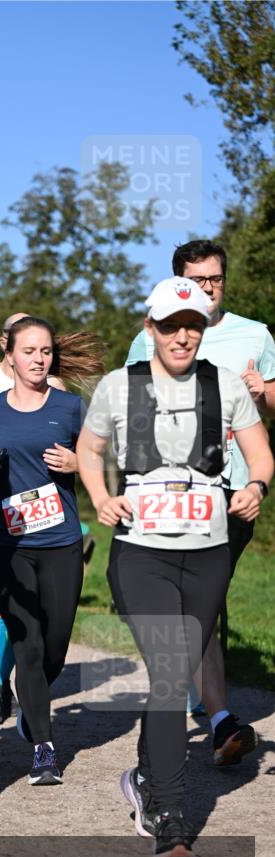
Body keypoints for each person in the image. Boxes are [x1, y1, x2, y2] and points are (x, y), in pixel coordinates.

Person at [78, 277, 273, 857]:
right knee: (168, 670)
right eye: (170, 325)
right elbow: (89, 450)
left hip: (209, 551)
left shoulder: (225, 387)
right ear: (150, 328)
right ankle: (170, 818)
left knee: (176, 668)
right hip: (141, 553)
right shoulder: (119, 387)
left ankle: (144, 777)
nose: (182, 334)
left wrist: (257, 486)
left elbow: (261, 453)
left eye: (193, 323)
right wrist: (101, 498)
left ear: (204, 326)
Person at [126, 240, 275, 761]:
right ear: (177, 285)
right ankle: (215, 717)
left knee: (200, 606)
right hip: (167, 495)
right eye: (198, 280)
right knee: (191, 608)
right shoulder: (150, 337)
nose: (208, 288)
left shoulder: (255, 334)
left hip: (232, 490)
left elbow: (273, 406)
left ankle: (200, 709)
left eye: (215, 279)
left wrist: (262, 393)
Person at [0, 316, 94, 786]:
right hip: (8, 542)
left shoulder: (70, 406)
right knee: (30, 645)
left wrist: (81, 462)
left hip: (61, 541)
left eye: (45, 351)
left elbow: (101, 463)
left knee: (55, 647)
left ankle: (31, 702)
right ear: (11, 356)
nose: (38, 359)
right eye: (29, 351)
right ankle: (44, 748)